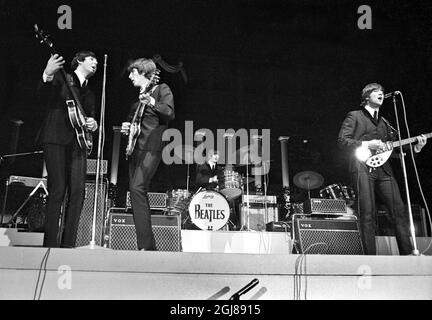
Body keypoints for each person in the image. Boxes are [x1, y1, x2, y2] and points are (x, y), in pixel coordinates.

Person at [337, 83, 427, 255]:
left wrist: (416, 148)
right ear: (366, 97)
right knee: (367, 212)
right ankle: (371, 257)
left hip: (384, 170)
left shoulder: (384, 122)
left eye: (382, 92)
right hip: (361, 167)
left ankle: (408, 252)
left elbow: (395, 148)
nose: (380, 94)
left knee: (398, 210)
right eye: (376, 92)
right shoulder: (354, 116)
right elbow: (342, 141)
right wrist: (366, 144)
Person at [37, 51, 99, 248]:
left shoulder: (90, 93)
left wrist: (93, 123)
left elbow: (90, 116)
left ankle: (68, 244)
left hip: (78, 144)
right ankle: (50, 244)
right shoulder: (63, 78)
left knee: (79, 192)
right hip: (55, 138)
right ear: (79, 61)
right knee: (58, 189)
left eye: (96, 60)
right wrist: (47, 73)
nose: (95, 62)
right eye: (91, 59)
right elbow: (41, 94)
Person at [121, 58, 175, 251]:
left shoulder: (162, 89)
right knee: (136, 192)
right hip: (135, 150)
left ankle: (147, 245)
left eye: (133, 72)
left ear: (144, 73)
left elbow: (169, 112)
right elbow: (133, 123)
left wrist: (152, 101)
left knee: (137, 188)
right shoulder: (136, 102)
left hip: (152, 147)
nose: (129, 76)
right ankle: (146, 245)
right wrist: (128, 126)